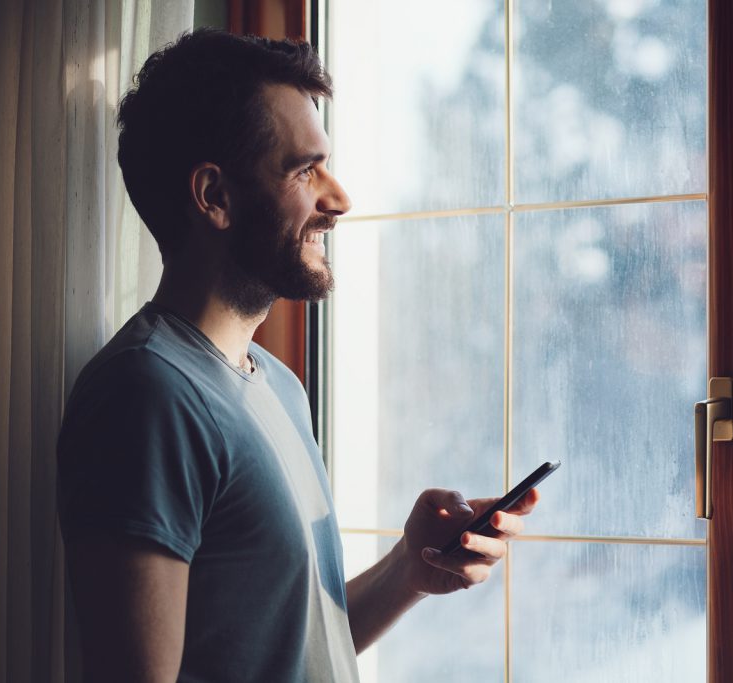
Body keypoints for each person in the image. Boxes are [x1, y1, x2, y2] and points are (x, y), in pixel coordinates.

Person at [56, 28, 538, 682]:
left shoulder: (277, 384)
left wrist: (410, 567)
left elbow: (292, 645)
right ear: (214, 196)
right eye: (305, 170)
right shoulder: (145, 395)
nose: (338, 200)